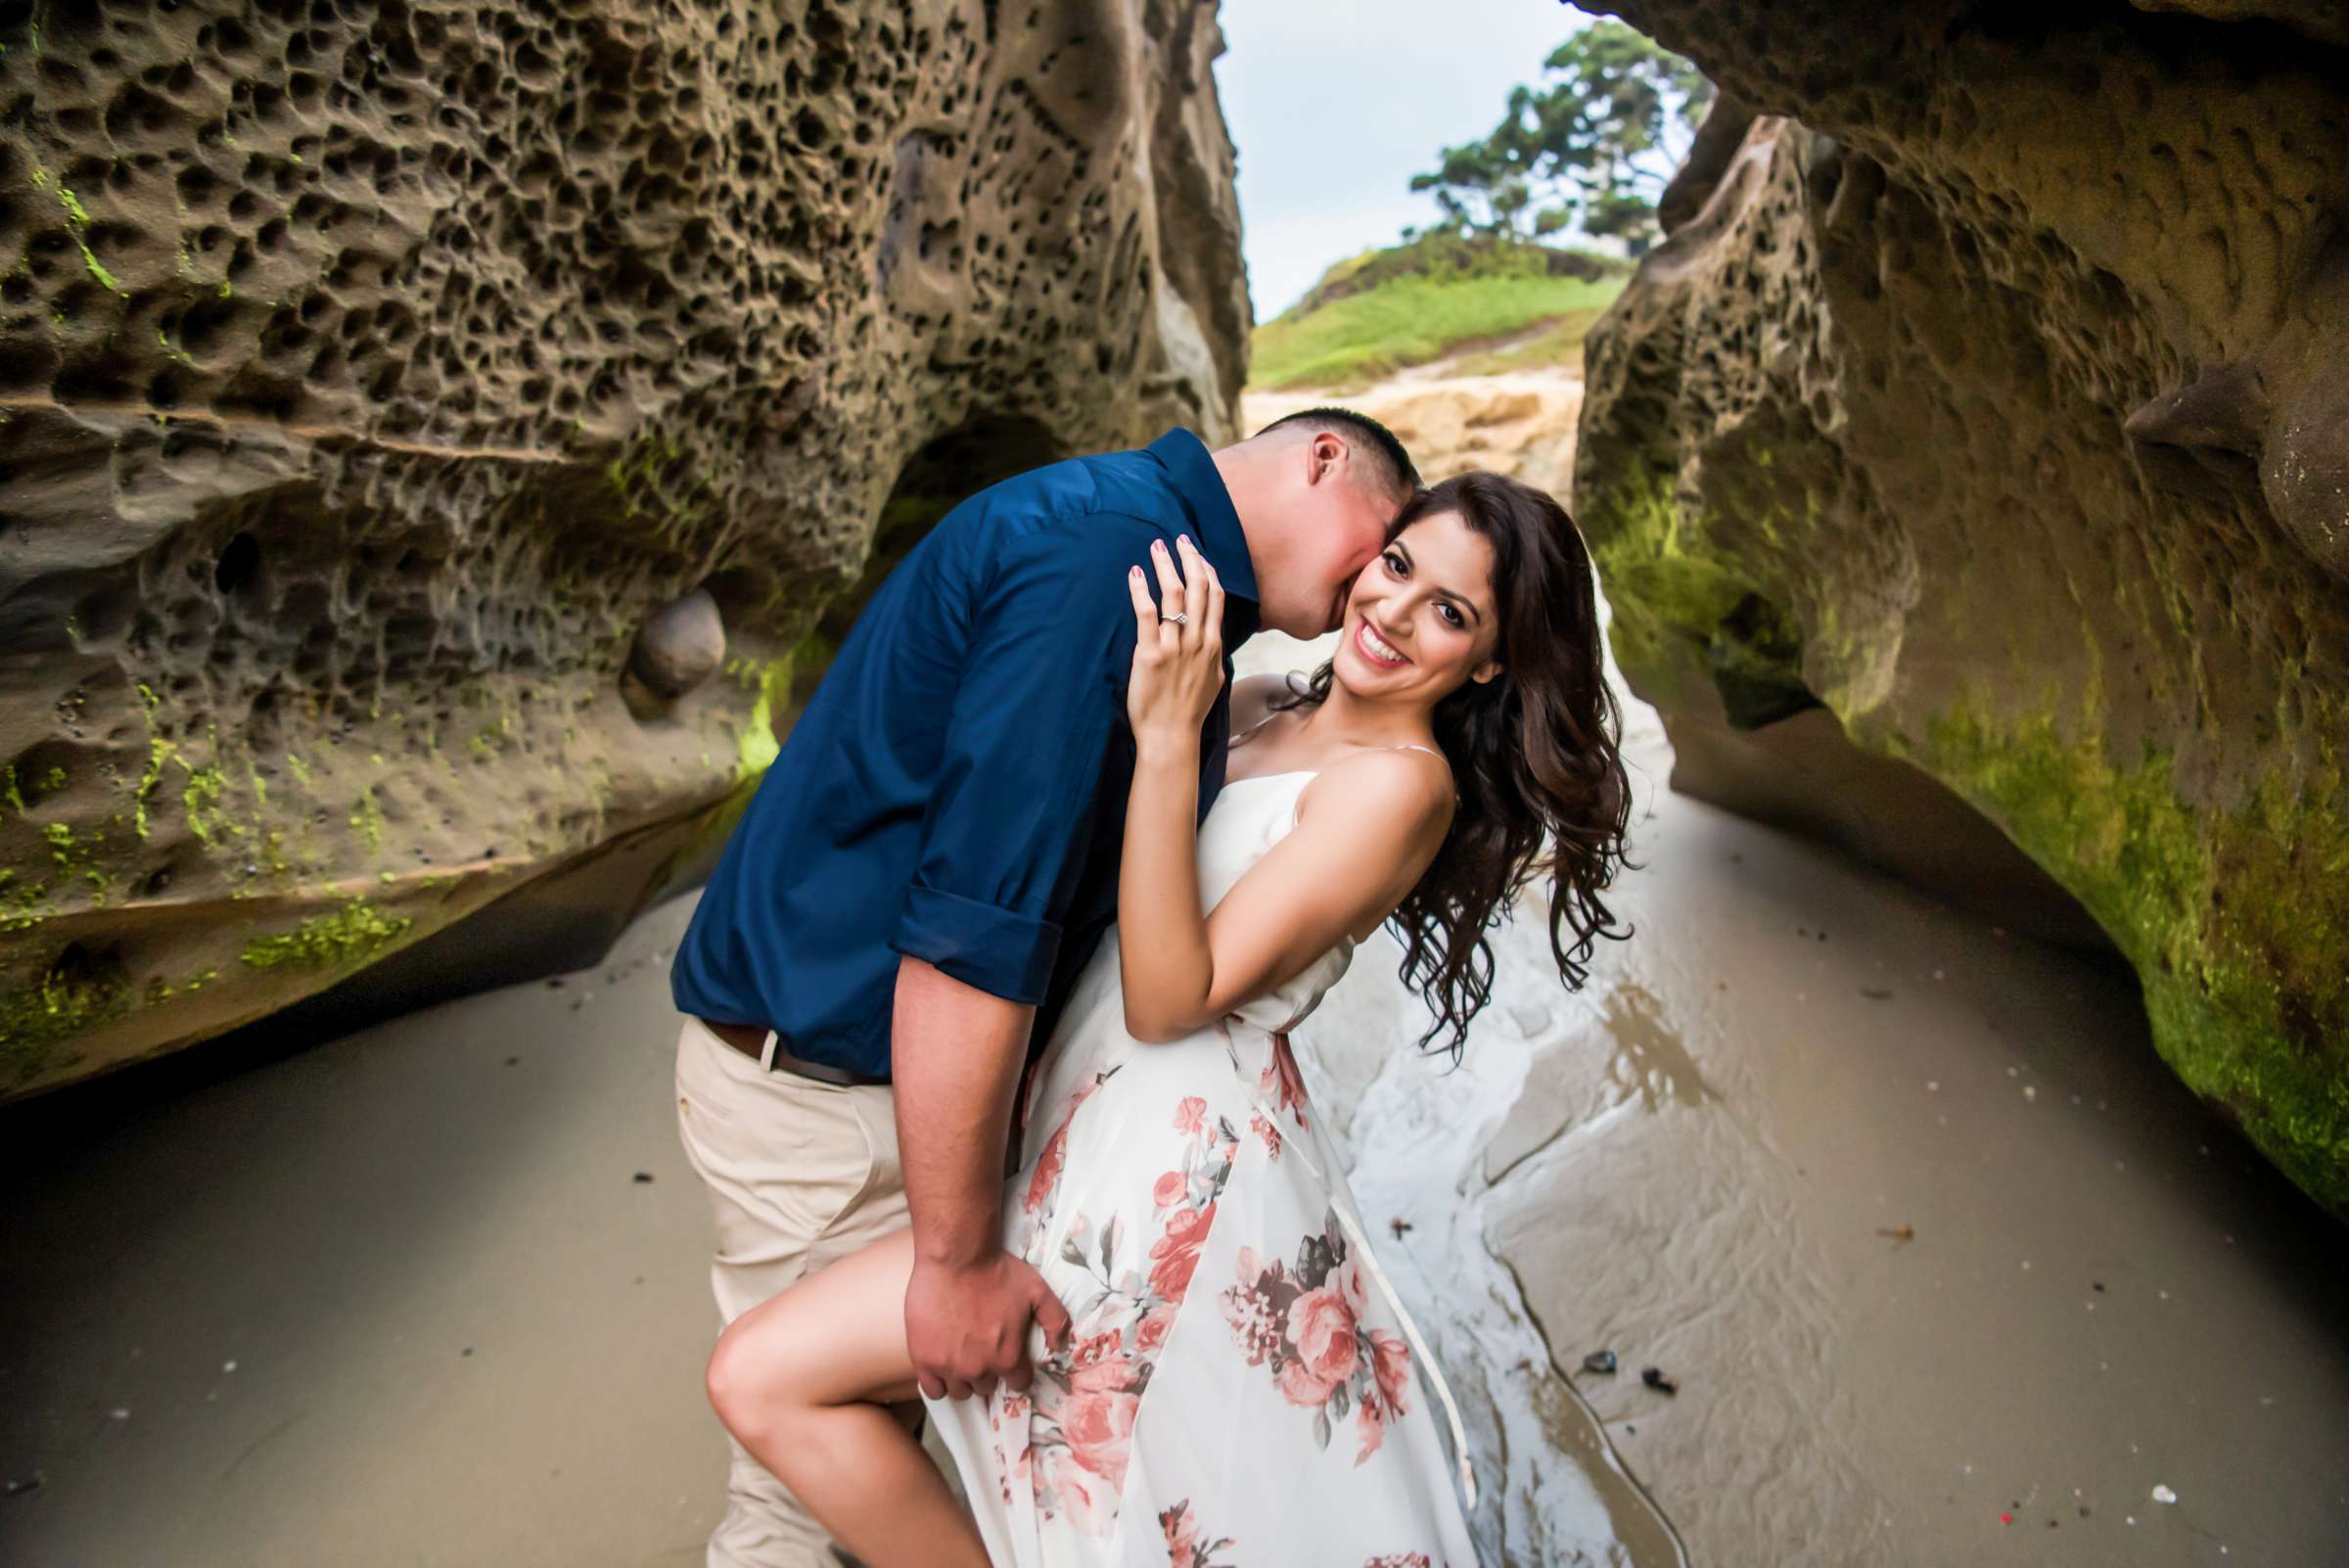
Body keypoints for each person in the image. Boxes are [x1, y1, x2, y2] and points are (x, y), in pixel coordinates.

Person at [703, 470, 1635, 1566]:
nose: (1391, 611)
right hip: (1080, 1124)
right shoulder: (1262, 698)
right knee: (1088, 1496)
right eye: (1397, 566)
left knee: (771, 1377)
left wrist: (1162, 737)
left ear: (1487, 663)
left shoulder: (1401, 786)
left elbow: (1166, 996)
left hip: (1167, 1167)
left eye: (1450, 612)